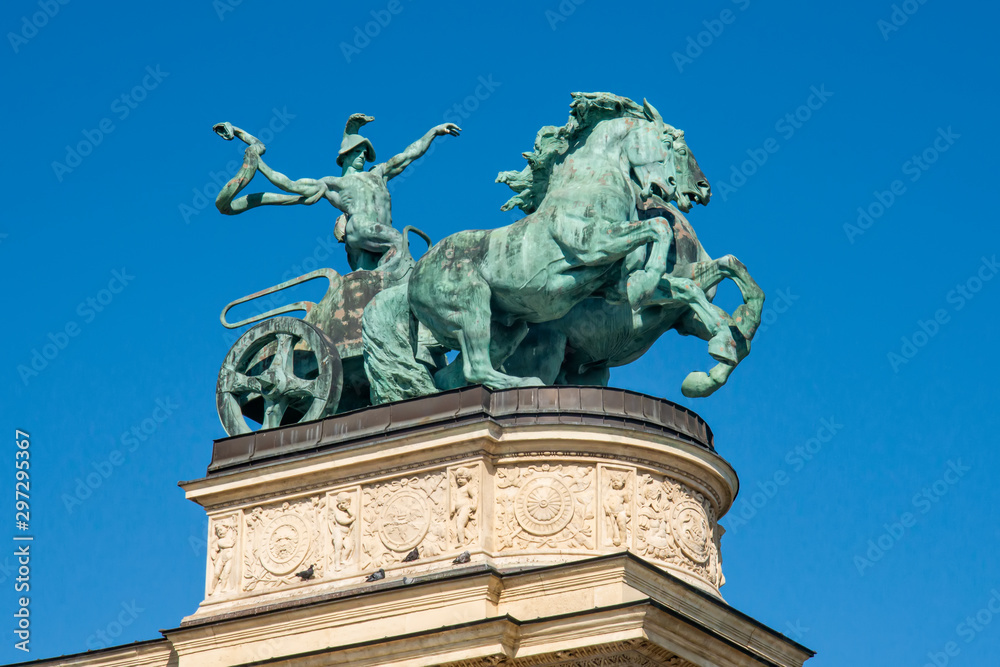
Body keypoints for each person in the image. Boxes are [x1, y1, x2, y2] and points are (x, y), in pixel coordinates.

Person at [213, 113, 460, 272]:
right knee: (398, 240)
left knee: (372, 269)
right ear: (345, 156)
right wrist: (257, 162)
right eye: (358, 150)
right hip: (362, 228)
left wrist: (433, 132)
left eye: (365, 151)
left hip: (377, 233)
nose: (363, 154)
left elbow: (408, 155)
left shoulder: (379, 173)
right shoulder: (332, 183)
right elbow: (289, 184)